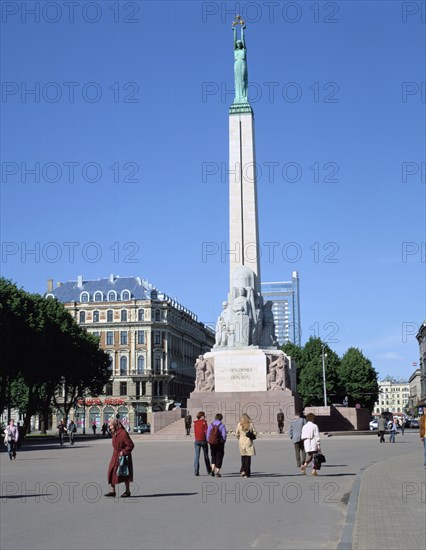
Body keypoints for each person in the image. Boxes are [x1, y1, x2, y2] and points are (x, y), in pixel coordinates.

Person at [105, 418, 134, 498]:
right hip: (115, 454)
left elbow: (130, 445)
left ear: (114, 425)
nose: (109, 427)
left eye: (110, 425)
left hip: (123, 456)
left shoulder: (123, 433)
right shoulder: (115, 433)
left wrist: (124, 452)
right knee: (111, 471)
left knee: (124, 473)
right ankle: (112, 491)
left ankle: (127, 491)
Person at [235, 414, 256, 478]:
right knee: (248, 458)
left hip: (241, 442)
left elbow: (236, 434)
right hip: (248, 441)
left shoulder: (239, 424)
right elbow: (255, 433)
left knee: (243, 457)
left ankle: (243, 470)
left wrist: (239, 438)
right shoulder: (250, 425)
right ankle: (247, 473)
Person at [193, 411, 211, 476]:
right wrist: (208, 439)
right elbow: (206, 432)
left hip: (197, 441)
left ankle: (196, 471)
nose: (205, 417)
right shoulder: (204, 423)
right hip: (203, 441)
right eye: (204, 416)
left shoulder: (195, 423)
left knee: (197, 456)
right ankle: (209, 470)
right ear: (201, 416)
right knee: (206, 456)